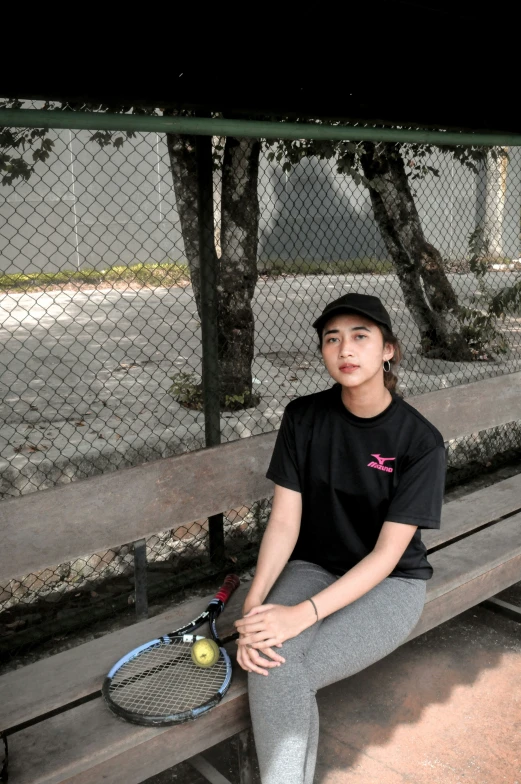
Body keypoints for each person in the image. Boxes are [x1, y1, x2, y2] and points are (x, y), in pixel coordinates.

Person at [234, 293, 446, 784]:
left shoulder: (419, 442)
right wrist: (255, 609)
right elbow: (285, 524)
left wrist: (296, 616)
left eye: (359, 337)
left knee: (278, 669)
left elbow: (386, 554)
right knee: (271, 657)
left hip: (392, 584)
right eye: (332, 339)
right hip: (313, 567)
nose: (344, 349)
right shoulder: (303, 417)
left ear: (388, 350)